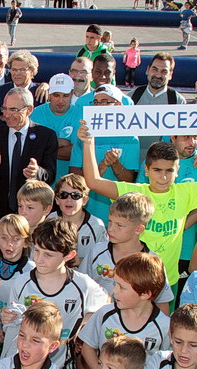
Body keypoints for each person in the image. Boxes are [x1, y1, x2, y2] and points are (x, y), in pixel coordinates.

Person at [80, 125, 197, 294]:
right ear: (146, 170)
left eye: (169, 171)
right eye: (157, 170)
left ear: (177, 170)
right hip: (134, 280)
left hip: (168, 279)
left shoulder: (185, 193)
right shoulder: (135, 192)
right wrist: (88, 143)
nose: (163, 177)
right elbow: (94, 182)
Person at [2, 218, 108, 369]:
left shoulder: (82, 285)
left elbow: (108, 304)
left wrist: (83, 328)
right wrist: (8, 318)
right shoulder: (21, 282)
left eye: (48, 255)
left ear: (69, 255)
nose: (39, 259)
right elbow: (13, 324)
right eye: (36, 251)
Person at [79, 253, 170, 369]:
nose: (114, 291)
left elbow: (164, 361)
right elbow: (87, 348)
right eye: (115, 284)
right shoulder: (105, 314)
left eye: (122, 287)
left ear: (145, 294)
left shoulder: (164, 325)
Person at [79, 192, 174, 313]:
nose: (111, 228)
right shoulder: (97, 251)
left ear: (138, 229)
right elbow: (80, 285)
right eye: (110, 221)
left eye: (119, 225)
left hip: (134, 328)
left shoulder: (151, 262)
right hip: (98, 322)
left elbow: (162, 303)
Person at [0, 88, 58, 230]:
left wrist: (36, 173)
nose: (7, 114)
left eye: (13, 110)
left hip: (30, 217)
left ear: (29, 110)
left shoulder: (46, 136)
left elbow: (50, 173)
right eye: (4, 109)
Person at [69, 85, 139, 224]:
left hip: (119, 216)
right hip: (86, 215)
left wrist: (115, 164)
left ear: (118, 105)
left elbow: (130, 180)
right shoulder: (83, 135)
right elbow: (75, 179)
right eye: (96, 102)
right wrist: (100, 168)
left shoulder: (131, 138)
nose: (99, 106)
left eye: (105, 101)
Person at [0, 214, 34, 328]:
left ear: (25, 242)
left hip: (15, 330)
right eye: (4, 238)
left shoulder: (30, 271)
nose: (9, 243)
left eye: (16, 239)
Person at [130, 53, 186, 157]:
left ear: (170, 75)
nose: (158, 75)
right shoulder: (132, 97)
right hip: (133, 164)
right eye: (155, 69)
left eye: (164, 71)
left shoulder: (177, 101)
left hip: (162, 165)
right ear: (147, 70)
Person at [29, 73, 79, 181]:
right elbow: (30, 149)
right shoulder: (35, 114)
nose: (60, 101)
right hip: (40, 182)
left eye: (65, 95)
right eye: (56, 95)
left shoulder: (81, 115)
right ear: (49, 94)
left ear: (72, 94)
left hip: (68, 184)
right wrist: (61, 143)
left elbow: (76, 152)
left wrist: (46, 147)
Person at [48, 174, 106, 263]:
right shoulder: (50, 221)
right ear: (56, 199)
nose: (69, 200)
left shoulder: (96, 225)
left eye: (75, 195)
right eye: (64, 195)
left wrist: (80, 261)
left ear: (85, 200)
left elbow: (103, 259)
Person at [0, 50, 44, 128]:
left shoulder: (41, 93)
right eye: (14, 70)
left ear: (32, 71)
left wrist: (6, 118)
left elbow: (42, 120)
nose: (17, 73)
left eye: (22, 70)